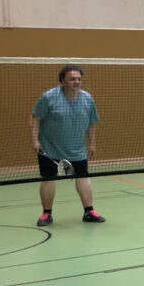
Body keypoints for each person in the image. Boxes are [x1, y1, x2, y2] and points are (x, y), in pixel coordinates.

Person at [30, 65, 106, 226]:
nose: (76, 82)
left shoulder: (87, 98)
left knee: (83, 177)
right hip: (50, 147)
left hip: (77, 148)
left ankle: (89, 211)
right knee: (49, 178)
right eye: (72, 79)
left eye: (79, 79)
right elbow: (35, 118)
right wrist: (35, 140)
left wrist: (92, 144)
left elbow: (92, 123)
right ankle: (46, 214)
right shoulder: (48, 97)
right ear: (63, 80)